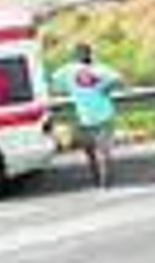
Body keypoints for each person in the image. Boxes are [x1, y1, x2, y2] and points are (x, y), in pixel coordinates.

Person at [50, 43, 121, 189]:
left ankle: (100, 180)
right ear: (90, 54)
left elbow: (53, 78)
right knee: (100, 151)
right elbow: (117, 78)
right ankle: (103, 180)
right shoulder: (99, 68)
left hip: (88, 117)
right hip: (100, 115)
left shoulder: (70, 70)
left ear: (75, 56)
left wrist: (66, 88)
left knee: (93, 152)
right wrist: (104, 88)